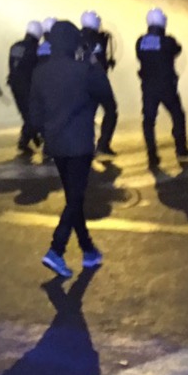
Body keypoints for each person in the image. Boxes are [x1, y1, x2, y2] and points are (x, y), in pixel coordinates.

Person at [30, 20, 117, 277]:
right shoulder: (84, 70)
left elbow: (34, 115)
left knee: (73, 199)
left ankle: (88, 249)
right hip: (79, 143)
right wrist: (93, 62)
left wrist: (47, 131)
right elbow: (108, 99)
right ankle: (56, 249)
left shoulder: (40, 72)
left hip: (55, 144)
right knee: (76, 198)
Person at [135, 8, 188, 165]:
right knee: (178, 115)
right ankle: (181, 149)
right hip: (166, 86)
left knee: (149, 120)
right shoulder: (168, 41)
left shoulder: (141, 41)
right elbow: (177, 49)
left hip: (148, 86)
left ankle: (152, 154)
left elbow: (140, 56)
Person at [81, 11, 120, 156]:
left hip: (82, 82)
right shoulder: (98, 39)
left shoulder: (76, 38)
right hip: (98, 81)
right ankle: (103, 145)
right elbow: (98, 61)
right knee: (111, 110)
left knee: (88, 114)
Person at [9, 21, 44, 157]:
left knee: (27, 113)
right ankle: (25, 140)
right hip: (28, 86)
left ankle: (30, 138)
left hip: (15, 85)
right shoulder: (36, 49)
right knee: (33, 114)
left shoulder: (15, 46)